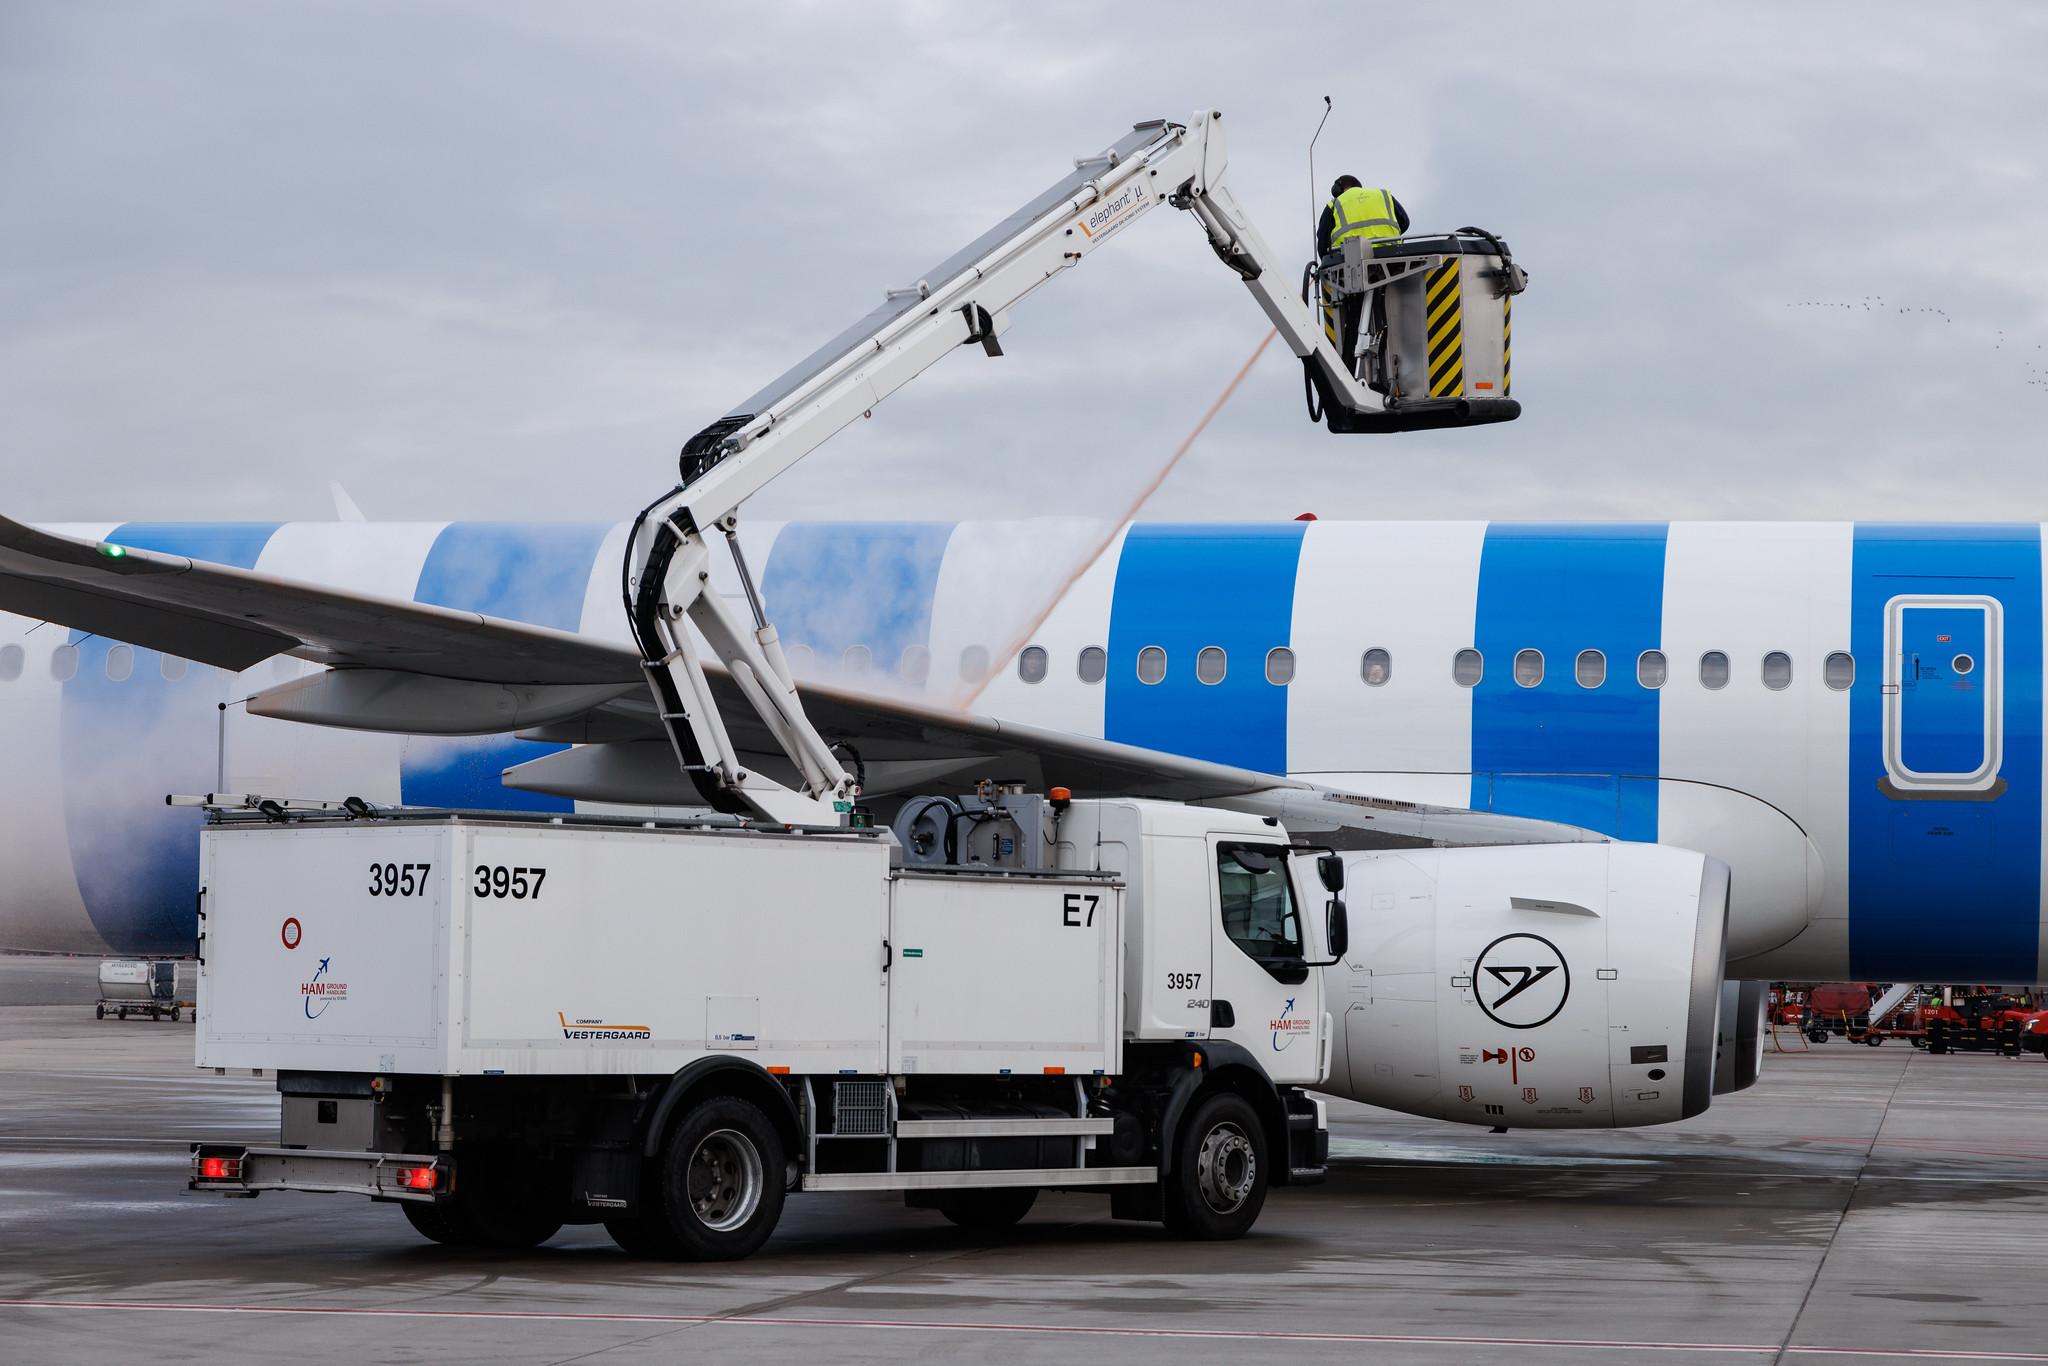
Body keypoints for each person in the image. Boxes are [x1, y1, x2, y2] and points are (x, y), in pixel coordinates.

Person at [1317, 176, 1411, 384]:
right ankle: (1389, 377)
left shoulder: (1335, 204)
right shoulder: (1383, 195)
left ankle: (1347, 377)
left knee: (1354, 322)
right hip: (1390, 262)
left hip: (1355, 266)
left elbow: (1322, 244)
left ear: (1338, 189)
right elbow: (1405, 222)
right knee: (1387, 313)